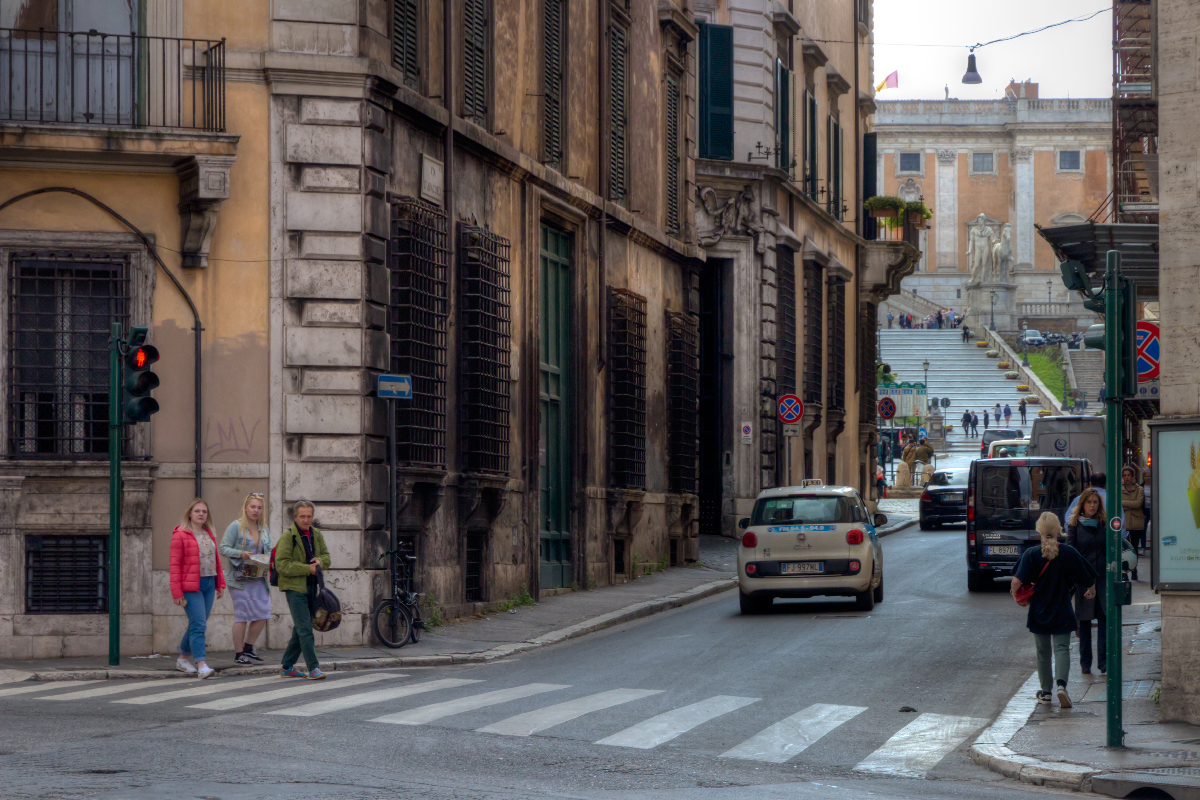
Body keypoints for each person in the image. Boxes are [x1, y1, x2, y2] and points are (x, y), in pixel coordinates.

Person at [1012, 512, 1098, 708]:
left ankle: (1046, 692)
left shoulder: (1031, 554)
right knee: (1062, 649)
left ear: (1039, 532)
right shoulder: (1068, 552)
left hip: (1039, 612)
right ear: (1060, 530)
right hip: (1062, 610)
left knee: (1043, 652)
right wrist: (1091, 591)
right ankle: (1061, 686)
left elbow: (1016, 582)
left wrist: (1016, 596)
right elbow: (1087, 578)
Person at [275, 499, 332, 680]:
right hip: (294, 588)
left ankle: (286, 666)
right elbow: (282, 565)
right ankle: (314, 668)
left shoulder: (316, 534)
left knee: (300, 629)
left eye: (309, 516)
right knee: (306, 628)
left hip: (312, 587)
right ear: (295, 517)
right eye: (302, 516)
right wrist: (308, 568)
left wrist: (320, 562)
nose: (306, 520)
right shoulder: (288, 536)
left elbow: (327, 557)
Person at [170, 498, 226, 679]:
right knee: (199, 625)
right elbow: (174, 565)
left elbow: (216, 560)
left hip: (209, 583)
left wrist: (220, 583)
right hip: (191, 586)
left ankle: (182, 659)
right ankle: (201, 665)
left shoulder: (209, 533)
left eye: (204, 511)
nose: (201, 514)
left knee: (197, 624)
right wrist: (176, 592)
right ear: (190, 514)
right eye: (197, 511)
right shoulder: (180, 534)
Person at [219, 492, 272, 665]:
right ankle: (239, 653)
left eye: (259, 507)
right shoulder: (236, 526)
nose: (256, 510)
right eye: (253, 507)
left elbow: (269, 549)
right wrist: (240, 553)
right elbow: (223, 548)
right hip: (239, 578)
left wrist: (267, 559)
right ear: (246, 508)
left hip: (258, 577)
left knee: (263, 612)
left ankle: (249, 647)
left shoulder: (264, 528)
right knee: (242, 615)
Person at [1066, 489, 1108, 675]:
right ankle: (1085, 663)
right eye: (1089, 502)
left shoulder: (1104, 524)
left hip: (1102, 578)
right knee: (1084, 623)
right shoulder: (1075, 525)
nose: (1092, 505)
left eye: (1095, 502)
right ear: (1082, 504)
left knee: (1104, 620)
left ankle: (1104, 662)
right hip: (1084, 580)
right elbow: (1070, 551)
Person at [1121, 466, 1146, 580]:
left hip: (1136, 522)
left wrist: (1124, 504)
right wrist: (1131, 504)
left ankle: (1134, 571)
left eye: (1129, 475)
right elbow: (1118, 503)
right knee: (1124, 549)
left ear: (1133, 477)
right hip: (1124, 523)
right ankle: (1124, 571)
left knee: (1134, 547)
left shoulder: (1139, 489)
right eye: (1125, 475)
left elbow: (1138, 504)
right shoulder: (1119, 489)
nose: (1127, 478)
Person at [1141, 467, 1152, 556]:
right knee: (1143, 529)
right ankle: (1143, 547)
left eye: (1149, 476)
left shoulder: (1155, 486)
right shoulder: (1141, 487)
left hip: (1153, 510)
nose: (1147, 478)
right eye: (1146, 476)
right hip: (1145, 511)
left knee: (1155, 529)